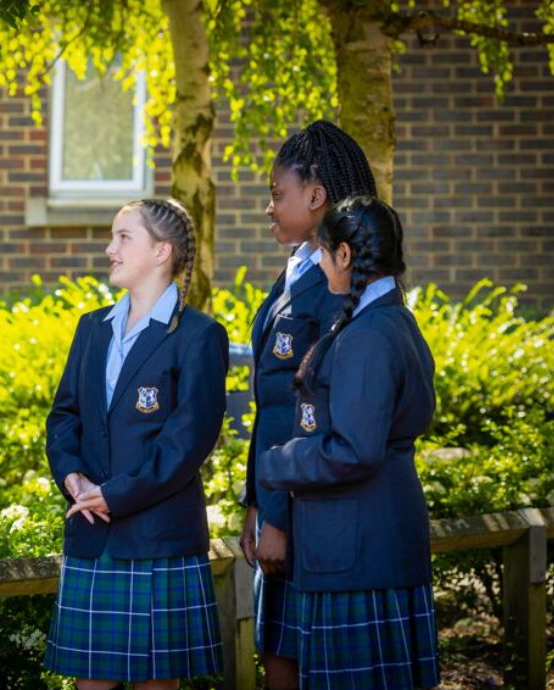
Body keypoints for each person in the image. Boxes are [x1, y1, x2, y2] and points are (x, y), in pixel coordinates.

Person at [44, 198, 229, 690]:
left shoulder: (200, 336)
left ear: (161, 251)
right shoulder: (92, 327)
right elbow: (64, 416)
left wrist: (114, 495)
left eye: (124, 237)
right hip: (91, 534)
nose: (111, 248)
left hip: (158, 539)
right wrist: (72, 477)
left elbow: (187, 445)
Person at [259, 195, 440, 690]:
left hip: (356, 554)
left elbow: (355, 450)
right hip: (376, 545)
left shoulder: (368, 335)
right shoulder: (395, 321)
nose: (319, 263)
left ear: (344, 255)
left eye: (323, 251)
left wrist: (276, 464)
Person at [238, 120, 378, 690]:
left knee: (303, 665)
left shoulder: (339, 285)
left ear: (316, 196)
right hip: (277, 499)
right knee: (278, 654)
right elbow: (270, 403)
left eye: (278, 194)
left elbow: (309, 413)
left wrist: (277, 516)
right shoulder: (297, 268)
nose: (269, 207)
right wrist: (255, 499)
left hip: (308, 516)